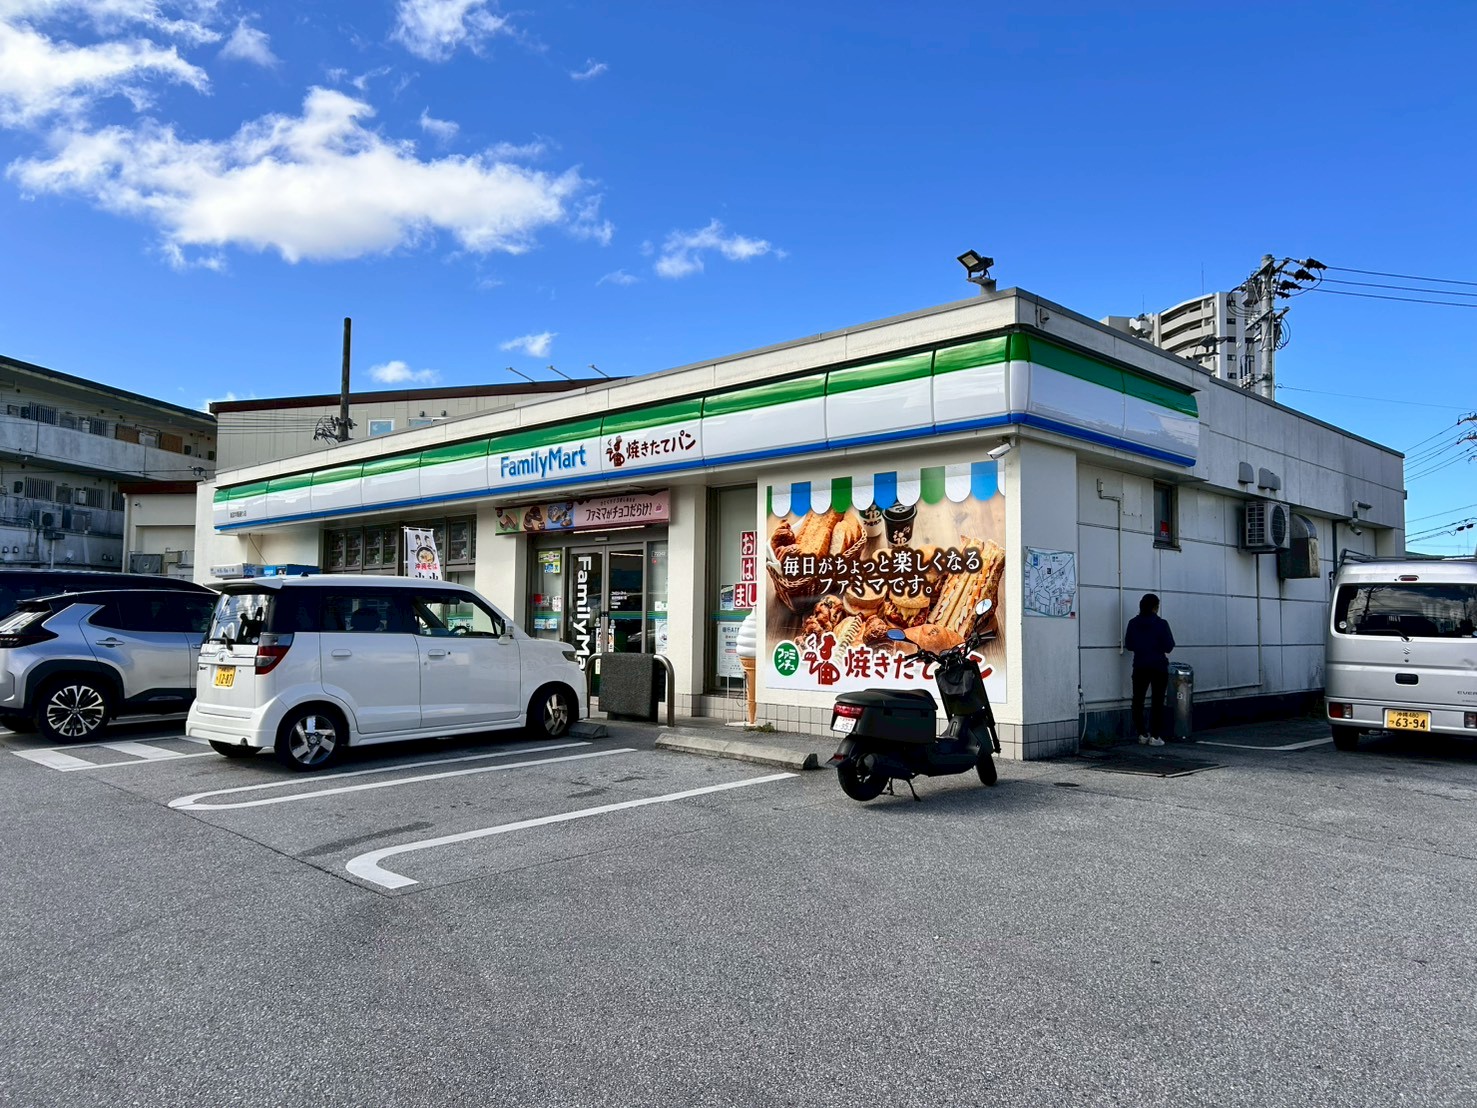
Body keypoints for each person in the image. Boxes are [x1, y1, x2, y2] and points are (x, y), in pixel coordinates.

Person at [1124, 593, 1175, 746]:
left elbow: (1129, 645)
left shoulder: (1133, 623)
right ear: (1155, 607)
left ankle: (1142, 733)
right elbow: (1169, 646)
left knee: (1138, 700)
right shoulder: (1161, 624)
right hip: (1158, 666)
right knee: (1158, 701)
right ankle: (1155, 736)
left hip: (1140, 665)